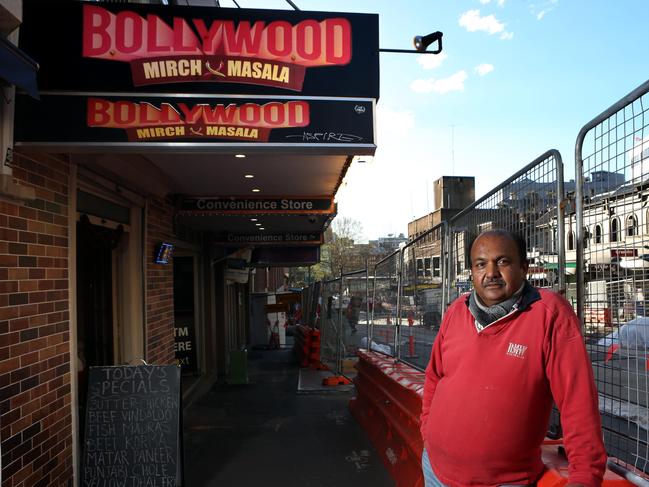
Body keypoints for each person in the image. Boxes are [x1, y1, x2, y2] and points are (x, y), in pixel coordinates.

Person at [420, 229, 606, 487]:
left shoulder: (550, 315)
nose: (491, 273)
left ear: (524, 268)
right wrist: (428, 432)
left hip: (503, 482)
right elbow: (433, 377)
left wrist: (585, 476)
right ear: (472, 272)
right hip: (435, 469)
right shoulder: (456, 311)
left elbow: (578, 402)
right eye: (481, 264)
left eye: (503, 262)